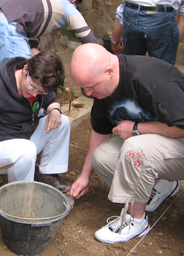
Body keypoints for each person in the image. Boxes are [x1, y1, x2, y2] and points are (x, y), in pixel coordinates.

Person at [69, 43, 183, 243]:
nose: (88, 94)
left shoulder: (149, 80)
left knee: (134, 149)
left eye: (91, 87)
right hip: (159, 142)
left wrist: (137, 128)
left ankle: (135, 221)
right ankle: (163, 186)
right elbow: (99, 131)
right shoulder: (103, 89)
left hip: (179, 139)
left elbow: (181, 125)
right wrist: (85, 175)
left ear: (110, 71)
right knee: (101, 158)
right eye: (83, 88)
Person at [0, 51, 71, 192]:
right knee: (26, 150)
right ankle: (19, 196)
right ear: (25, 69)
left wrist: (54, 111)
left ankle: (47, 173)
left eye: (41, 92)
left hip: (25, 141)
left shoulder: (39, 84)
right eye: (32, 87)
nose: (35, 94)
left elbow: (52, 101)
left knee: (63, 122)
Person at [0, 0, 98, 66]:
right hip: (6, 22)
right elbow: (90, 41)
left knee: (15, 72)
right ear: (73, 1)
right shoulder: (67, 5)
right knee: (21, 74)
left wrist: (35, 55)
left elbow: (31, 29)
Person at [111, 0, 184, 65]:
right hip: (161, 15)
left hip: (131, 11)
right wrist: (176, 40)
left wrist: (115, 41)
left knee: (132, 69)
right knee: (162, 71)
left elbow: (126, 2)